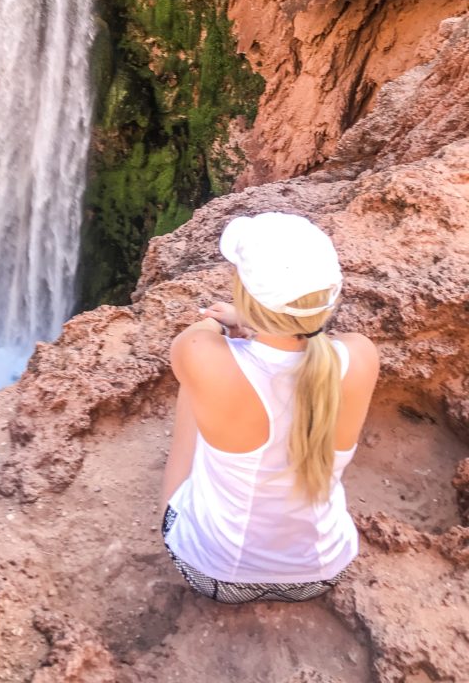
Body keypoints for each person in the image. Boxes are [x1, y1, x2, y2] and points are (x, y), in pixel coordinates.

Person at [161, 211, 379, 603]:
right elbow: (309, 344)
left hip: (216, 575)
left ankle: (185, 504)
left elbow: (202, 329)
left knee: (194, 390)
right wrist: (260, 320)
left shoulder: (199, 354)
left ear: (245, 293)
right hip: (322, 572)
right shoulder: (361, 357)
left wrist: (234, 322)